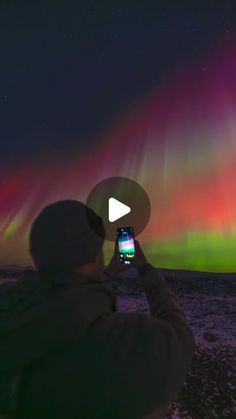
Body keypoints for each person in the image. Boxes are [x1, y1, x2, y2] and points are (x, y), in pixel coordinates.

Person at [0, 200, 195, 419]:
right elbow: (180, 332)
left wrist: (109, 272)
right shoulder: (137, 340)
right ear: (96, 256)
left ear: (37, 255)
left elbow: (67, 295)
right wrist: (144, 267)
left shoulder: (10, 313)